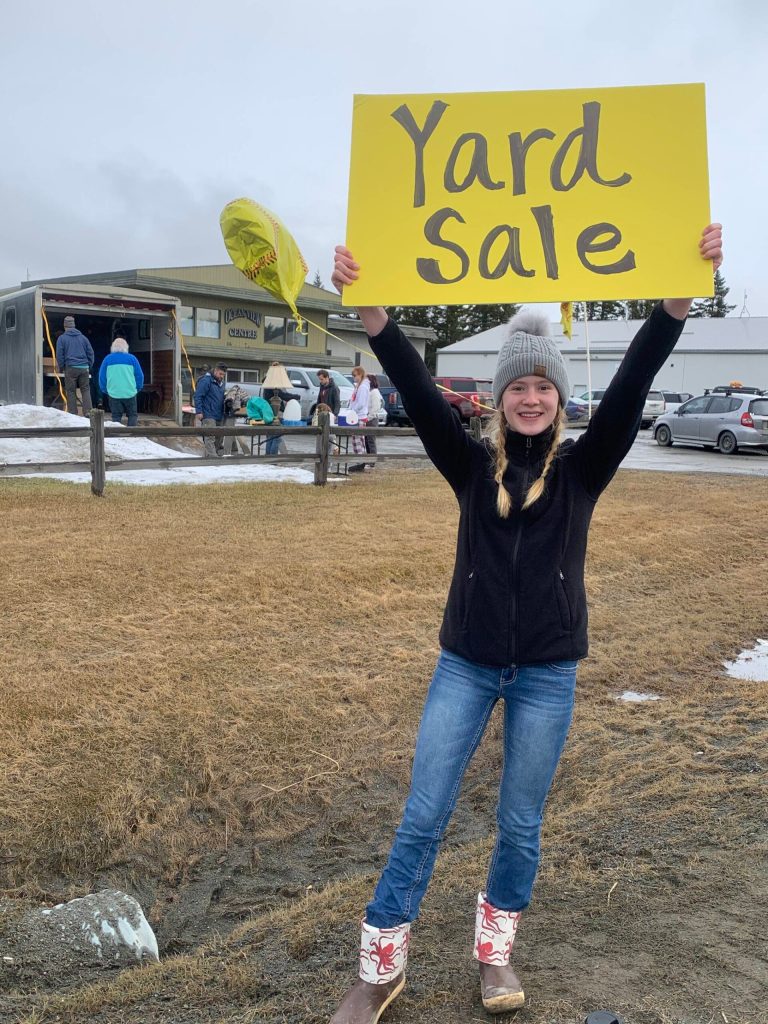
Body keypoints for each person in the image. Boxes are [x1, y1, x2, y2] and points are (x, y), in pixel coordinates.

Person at [329, 223, 723, 1022]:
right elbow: (415, 387)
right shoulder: (469, 466)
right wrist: (372, 313)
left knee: (519, 824)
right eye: (519, 386)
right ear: (501, 397)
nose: (532, 397)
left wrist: (677, 301)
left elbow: (634, 383)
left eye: (544, 386)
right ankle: (378, 969)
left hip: (548, 673)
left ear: (558, 398)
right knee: (423, 815)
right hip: (466, 665)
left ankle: (495, 955)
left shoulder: (584, 470)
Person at [98, 338, 145, 427]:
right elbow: (140, 376)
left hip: (113, 393)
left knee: (116, 416)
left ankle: (117, 434)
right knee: (132, 415)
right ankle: (132, 433)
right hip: (130, 392)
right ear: (126, 347)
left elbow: (102, 376)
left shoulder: (107, 359)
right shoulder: (132, 359)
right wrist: (137, 388)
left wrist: (105, 390)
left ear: (113, 347)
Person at [56, 315, 94, 417]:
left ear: (65, 326)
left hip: (70, 367)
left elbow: (59, 355)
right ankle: (88, 412)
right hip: (84, 368)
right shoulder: (84, 338)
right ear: (74, 325)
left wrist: (62, 367)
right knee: (85, 389)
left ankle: (73, 414)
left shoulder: (62, 339)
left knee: (71, 391)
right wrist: (89, 366)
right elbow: (91, 353)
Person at [194, 363, 228, 458]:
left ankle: (212, 455)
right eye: (220, 374)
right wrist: (199, 411)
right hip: (208, 413)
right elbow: (198, 396)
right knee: (210, 436)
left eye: (223, 375)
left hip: (219, 414)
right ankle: (213, 458)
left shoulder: (221, 383)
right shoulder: (206, 381)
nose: (222, 376)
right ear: (215, 371)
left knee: (219, 436)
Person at [347, 366, 370, 473]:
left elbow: (360, 403)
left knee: (357, 440)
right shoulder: (359, 386)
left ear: (360, 374)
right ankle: (361, 461)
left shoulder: (363, 387)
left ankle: (360, 462)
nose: (354, 378)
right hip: (357, 416)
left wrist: (352, 411)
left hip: (359, 416)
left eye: (355, 375)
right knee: (359, 440)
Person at [365, 373, 383, 469]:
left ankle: (372, 461)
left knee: (371, 440)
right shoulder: (369, 391)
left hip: (372, 419)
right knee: (367, 441)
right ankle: (368, 460)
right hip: (367, 418)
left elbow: (375, 408)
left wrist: (368, 418)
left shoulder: (375, 392)